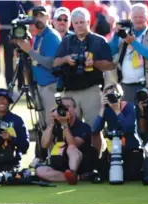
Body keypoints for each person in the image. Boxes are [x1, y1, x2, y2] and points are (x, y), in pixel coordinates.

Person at [53, 7, 114, 155]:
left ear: (88, 22)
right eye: (76, 23)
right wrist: (67, 59)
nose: (79, 25)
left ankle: (97, 161)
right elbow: (55, 63)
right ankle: (77, 161)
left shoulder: (99, 41)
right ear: (72, 24)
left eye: (82, 22)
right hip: (70, 91)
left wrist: (94, 63)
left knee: (95, 128)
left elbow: (110, 64)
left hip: (91, 90)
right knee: (72, 129)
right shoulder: (67, 41)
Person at [16, 5, 61, 168]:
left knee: (52, 124)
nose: (39, 19)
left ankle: (55, 159)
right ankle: (48, 158)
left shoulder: (51, 37)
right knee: (44, 125)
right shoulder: (39, 36)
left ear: (48, 18)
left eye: (42, 16)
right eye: (36, 16)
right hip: (41, 86)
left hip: (51, 85)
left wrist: (29, 51)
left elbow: (51, 63)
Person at [35, 96, 96, 185]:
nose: (65, 109)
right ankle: (76, 178)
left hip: (81, 163)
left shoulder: (83, 127)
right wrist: (51, 124)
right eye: (62, 107)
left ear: (75, 109)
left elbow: (74, 144)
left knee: (71, 148)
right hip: (60, 163)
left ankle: (73, 172)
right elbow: (44, 145)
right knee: (40, 171)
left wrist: (64, 125)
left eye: (68, 107)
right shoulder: (56, 125)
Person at [109, 3, 148, 103]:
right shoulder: (124, 33)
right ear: (130, 17)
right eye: (135, 17)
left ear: (147, 17)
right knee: (128, 116)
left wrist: (133, 42)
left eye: (141, 17)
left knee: (145, 117)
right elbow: (112, 51)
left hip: (147, 86)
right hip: (125, 85)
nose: (138, 20)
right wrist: (116, 35)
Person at [93, 83, 143, 180]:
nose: (110, 98)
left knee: (129, 175)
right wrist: (102, 108)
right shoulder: (106, 109)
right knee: (103, 171)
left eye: (112, 95)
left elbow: (128, 128)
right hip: (114, 149)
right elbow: (95, 129)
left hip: (131, 149)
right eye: (108, 96)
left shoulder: (130, 107)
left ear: (119, 95)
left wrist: (117, 110)